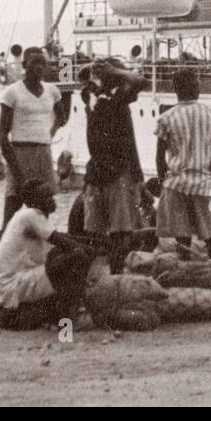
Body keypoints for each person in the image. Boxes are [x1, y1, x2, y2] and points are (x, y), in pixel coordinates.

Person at [0, 179, 93, 328]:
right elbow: (64, 241)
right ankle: (67, 319)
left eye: (51, 195)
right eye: (47, 196)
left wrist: (91, 243)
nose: (52, 199)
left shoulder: (31, 218)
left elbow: (64, 238)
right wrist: (89, 249)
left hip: (12, 283)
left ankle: (64, 313)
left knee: (66, 255)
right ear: (34, 202)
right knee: (77, 257)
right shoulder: (30, 215)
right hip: (13, 284)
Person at [79, 58, 149, 273]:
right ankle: (116, 273)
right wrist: (116, 71)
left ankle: (101, 274)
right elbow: (140, 81)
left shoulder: (96, 98)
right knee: (120, 233)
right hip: (117, 174)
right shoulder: (112, 100)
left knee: (97, 232)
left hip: (98, 173)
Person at [154, 69, 211, 261]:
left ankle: (184, 270)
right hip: (208, 184)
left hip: (176, 184)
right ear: (197, 87)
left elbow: (160, 158)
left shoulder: (165, 118)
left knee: (182, 236)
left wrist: (161, 182)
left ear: (175, 89)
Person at [0, 46, 68, 226]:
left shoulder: (52, 91)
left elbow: (62, 117)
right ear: (24, 65)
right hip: (20, 152)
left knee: (42, 212)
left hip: (43, 154)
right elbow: (2, 135)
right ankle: (5, 240)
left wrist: (49, 134)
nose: (39, 67)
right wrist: (15, 169)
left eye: (42, 63)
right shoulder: (12, 92)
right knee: (12, 208)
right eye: (34, 62)